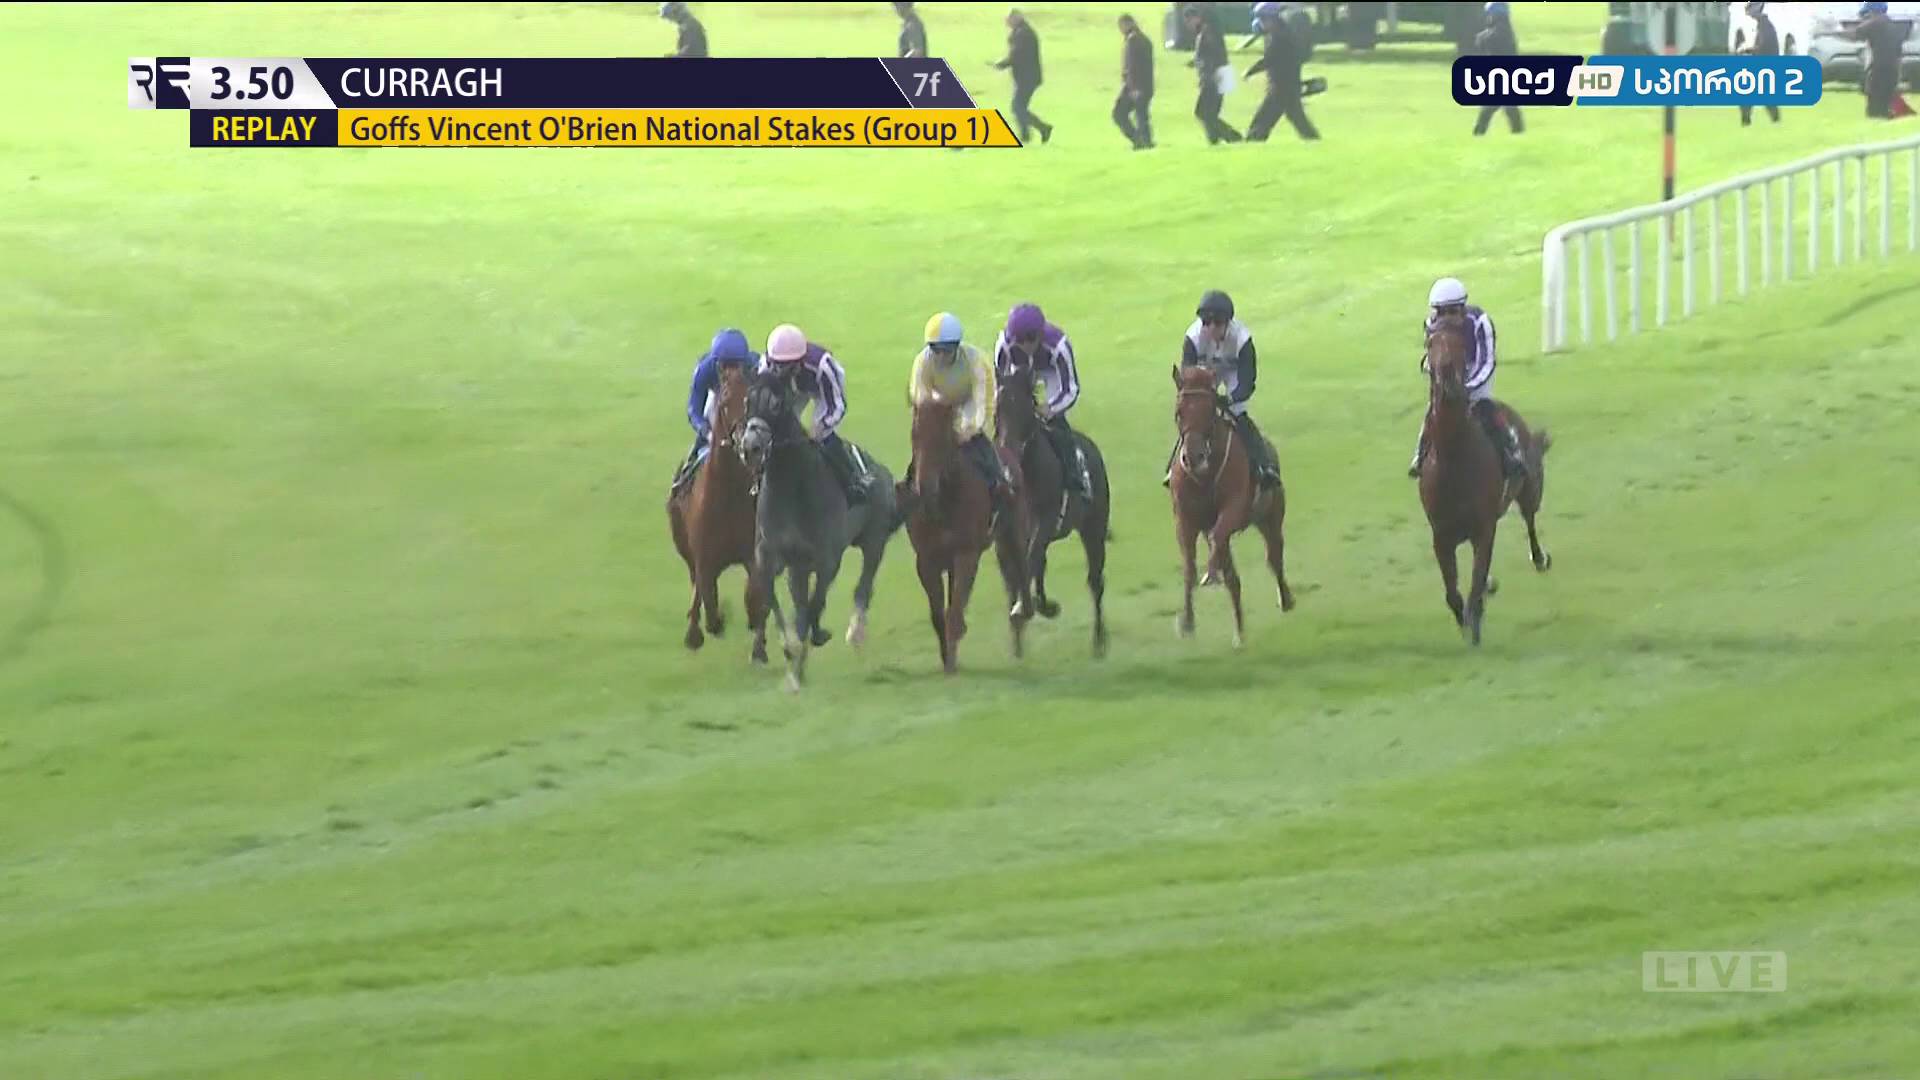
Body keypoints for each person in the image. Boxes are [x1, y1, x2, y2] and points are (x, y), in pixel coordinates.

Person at [1410, 277, 1527, 480]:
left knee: (1485, 406)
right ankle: (1420, 455)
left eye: (1452, 312)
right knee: (1433, 410)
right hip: (1448, 372)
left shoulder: (1481, 322)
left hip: (1475, 369)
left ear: (1463, 310)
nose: (1446, 318)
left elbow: (1487, 361)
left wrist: (1467, 387)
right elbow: (1430, 358)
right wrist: (1437, 375)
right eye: (1441, 312)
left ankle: (1511, 452)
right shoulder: (1430, 325)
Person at [1167, 290, 1281, 490]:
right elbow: (1188, 376)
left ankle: (1263, 466)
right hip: (1204, 373)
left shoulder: (1242, 340)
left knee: (1238, 413)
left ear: (1228, 322)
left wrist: (1230, 398)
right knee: (1195, 417)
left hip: (1232, 372)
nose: (1211, 328)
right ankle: (1172, 468)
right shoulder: (1193, 338)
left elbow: (1247, 381)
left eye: (1218, 323)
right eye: (1206, 323)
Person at [906, 312, 1013, 506]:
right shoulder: (922, 361)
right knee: (922, 453)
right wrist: (937, 423)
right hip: (938, 411)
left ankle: (999, 484)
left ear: (956, 347)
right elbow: (920, 397)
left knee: (983, 451)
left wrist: (966, 430)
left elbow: (982, 401)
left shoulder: (975, 361)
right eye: (935, 350)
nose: (940, 356)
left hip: (969, 407)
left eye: (946, 351)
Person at [761, 323, 874, 504]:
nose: (779, 371)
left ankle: (853, 478)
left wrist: (819, 428)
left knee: (823, 437)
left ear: (799, 362)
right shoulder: (766, 366)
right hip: (788, 392)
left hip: (819, 389)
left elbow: (837, 406)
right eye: (776, 365)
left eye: (785, 366)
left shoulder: (823, 366)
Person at [994, 302, 1089, 497]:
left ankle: (1075, 472)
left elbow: (1070, 388)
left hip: (1050, 370)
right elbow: (1000, 382)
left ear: (1040, 334)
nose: (1025, 345)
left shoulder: (1059, 347)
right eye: (1019, 340)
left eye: (1030, 339)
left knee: (1056, 423)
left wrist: (1050, 408)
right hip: (1019, 370)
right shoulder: (1004, 346)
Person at [671, 327, 759, 494]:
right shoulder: (704, 369)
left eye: (735, 366)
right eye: (725, 366)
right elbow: (694, 409)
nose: (729, 372)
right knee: (701, 454)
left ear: (744, 363)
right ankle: (685, 479)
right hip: (717, 402)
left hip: (748, 406)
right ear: (717, 363)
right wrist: (708, 433)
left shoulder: (756, 366)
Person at [1246, 2, 1320, 142]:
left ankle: (1252, 142)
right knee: (1297, 118)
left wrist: (1250, 71)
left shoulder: (1279, 36)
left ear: (1272, 18)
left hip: (1280, 88)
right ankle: (1315, 142)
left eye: (1263, 18)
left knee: (1263, 120)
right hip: (1287, 87)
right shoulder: (1281, 32)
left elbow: (1269, 60)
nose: (1261, 22)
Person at [1186, 3, 1245, 144]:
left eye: (1189, 20)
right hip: (1221, 74)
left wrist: (1208, 73)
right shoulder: (1209, 30)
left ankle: (1233, 137)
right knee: (1209, 113)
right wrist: (1196, 61)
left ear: (1196, 17)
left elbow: (1213, 54)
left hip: (1215, 76)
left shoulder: (1206, 32)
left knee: (1202, 112)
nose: (1188, 25)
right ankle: (1214, 140)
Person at [995, 9, 1054, 144]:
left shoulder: (1024, 33)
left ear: (1016, 18)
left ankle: (1041, 129)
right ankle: (1028, 135)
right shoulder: (1020, 32)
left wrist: (1002, 64)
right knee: (1019, 107)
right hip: (1025, 77)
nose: (1007, 23)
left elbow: (1017, 55)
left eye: (1009, 19)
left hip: (1028, 77)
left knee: (1017, 107)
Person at [1473, 2, 1524, 135]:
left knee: (1494, 106)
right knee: (1508, 106)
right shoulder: (1502, 28)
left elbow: (1487, 40)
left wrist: (1481, 37)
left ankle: (1479, 133)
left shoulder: (1501, 29)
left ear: (1496, 14)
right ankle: (1518, 132)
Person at [1854, 2, 1907, 119]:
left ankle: (1880, 114)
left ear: (1872, 11)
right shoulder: (1891, 25)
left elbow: (1856, 34)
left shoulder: (1875, 23)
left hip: (1879, 67)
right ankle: (1887, 112)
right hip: (1893, 67)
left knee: (1875, 102)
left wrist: (1830, 33)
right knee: (1886, 96)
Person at [1114, 13, 1156, 149]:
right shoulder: (1141, 39)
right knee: (1141, 115)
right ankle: (1144, 141)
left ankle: (1140, 141)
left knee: (1121, 113)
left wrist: (1134, 88)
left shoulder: (1134, 40)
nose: (1121, 29)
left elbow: (1134, 67)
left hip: (1136, 86)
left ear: (1128, 24)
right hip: (1143, 86)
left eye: (1121, 26)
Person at [1738, 2, 1782, 126]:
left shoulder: (1765, 26)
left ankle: (1747, 121)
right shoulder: (1763, 25)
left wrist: (1747, 50)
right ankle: (1774, 120)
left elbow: (1763, 47)